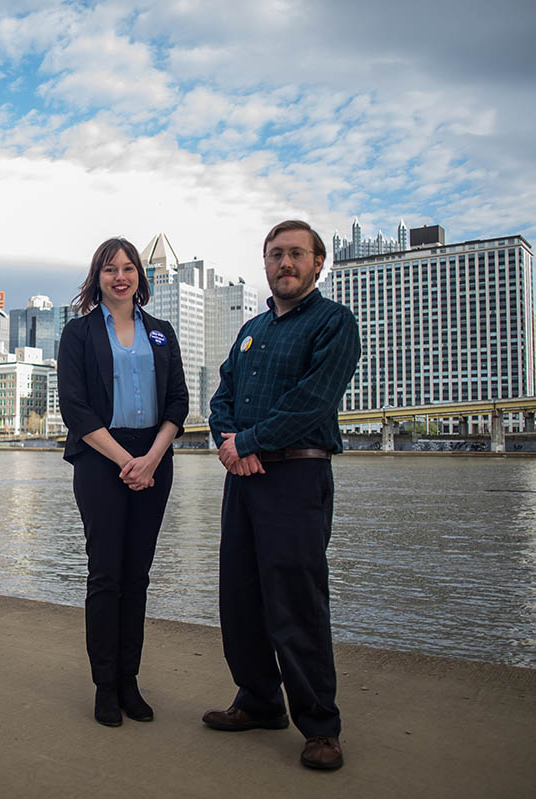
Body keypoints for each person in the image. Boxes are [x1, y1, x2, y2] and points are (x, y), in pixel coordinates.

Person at [202, 220, 361, 770]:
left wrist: (247, 441)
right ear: (264, 264)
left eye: (296, 254)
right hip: (242, 477)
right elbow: (221, 395)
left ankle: (320, 726)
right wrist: (230, 442)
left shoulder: (334, 323)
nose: (285, 263)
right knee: (240, 599)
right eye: (275, 254)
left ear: (319, 263)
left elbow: (312, 402)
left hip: (296, 478)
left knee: (296, 602)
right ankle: (259, 701)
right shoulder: (250, 329)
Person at [58, 237, 189, 727]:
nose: (120, 276)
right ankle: (105, 686)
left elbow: (177, 401)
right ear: (98, 278)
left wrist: (151, 457)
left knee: (137, 577)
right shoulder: (79, 333)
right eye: (110, 268)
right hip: (100, 458)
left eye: (128, 267)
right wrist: (124, 461)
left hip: (154, 458)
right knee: (106, 575)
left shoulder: (161, 332)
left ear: (140, 277)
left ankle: (130, 682)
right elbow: (75, 408)